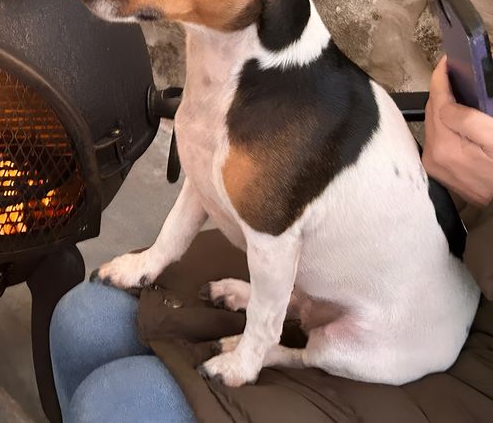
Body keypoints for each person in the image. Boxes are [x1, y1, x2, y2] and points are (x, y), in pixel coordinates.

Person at [51, 56, 493, 422]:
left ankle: (285, 350)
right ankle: (287, 311)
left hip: (413, 339)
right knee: (83, 320)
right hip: (416, 243)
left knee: (112, 407)